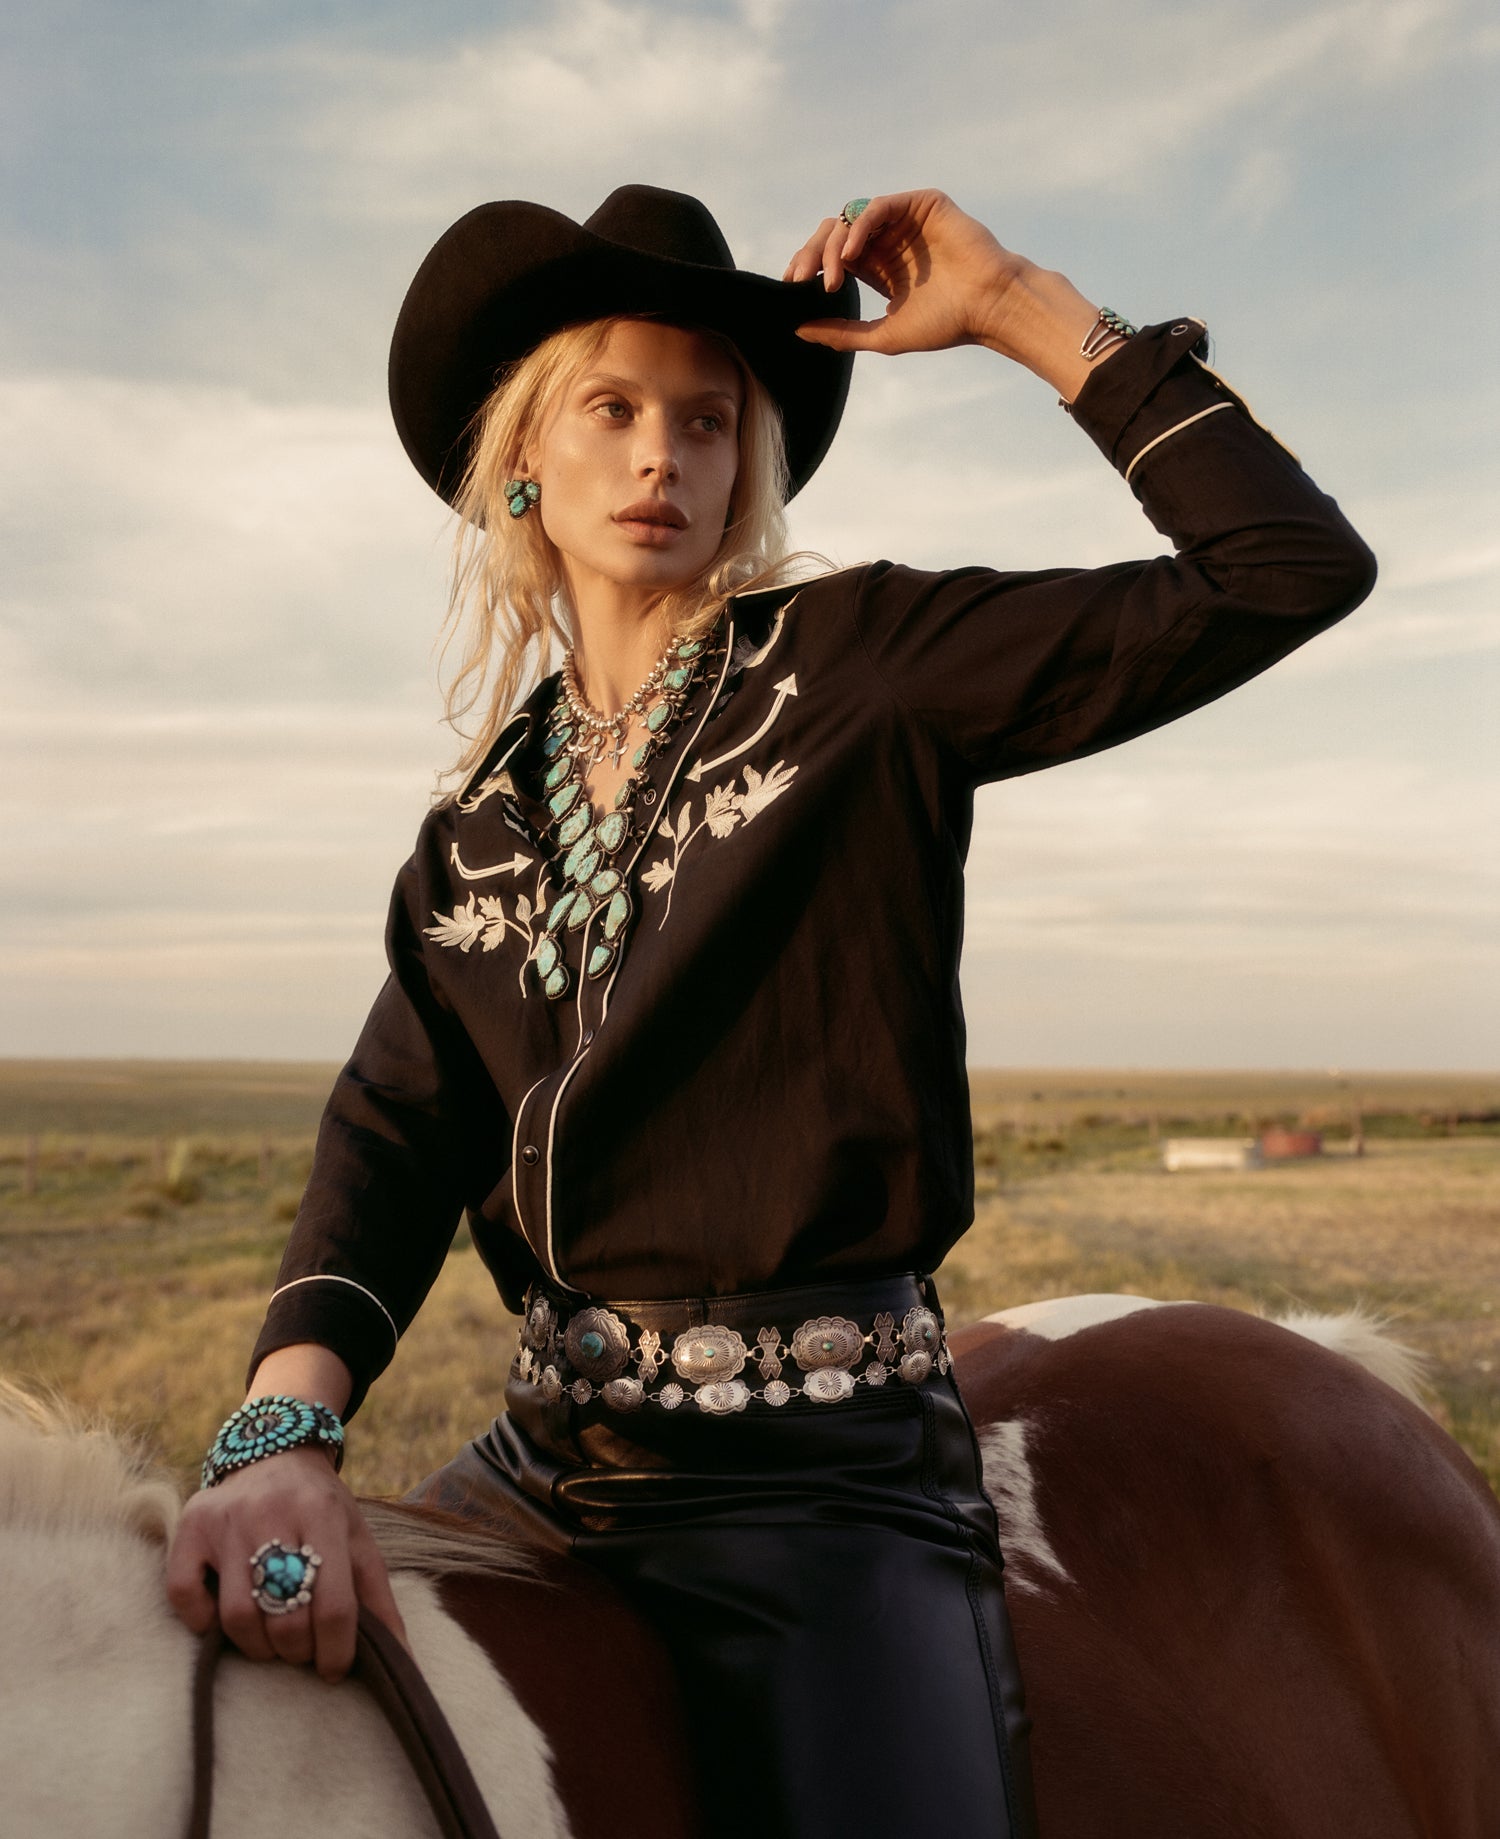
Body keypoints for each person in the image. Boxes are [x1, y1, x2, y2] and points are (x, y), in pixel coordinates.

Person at [165, 184, 1376, 1835]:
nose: (663, 455)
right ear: (524, 459)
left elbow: (1286, 568)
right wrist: (283, 1430)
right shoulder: (479, 825)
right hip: (543, 1466)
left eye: (708, 420)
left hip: (824, 1488)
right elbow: (392, 1129)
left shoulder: (863, 664)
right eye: (613, 409)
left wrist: (1021, 305)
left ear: (747, 469)